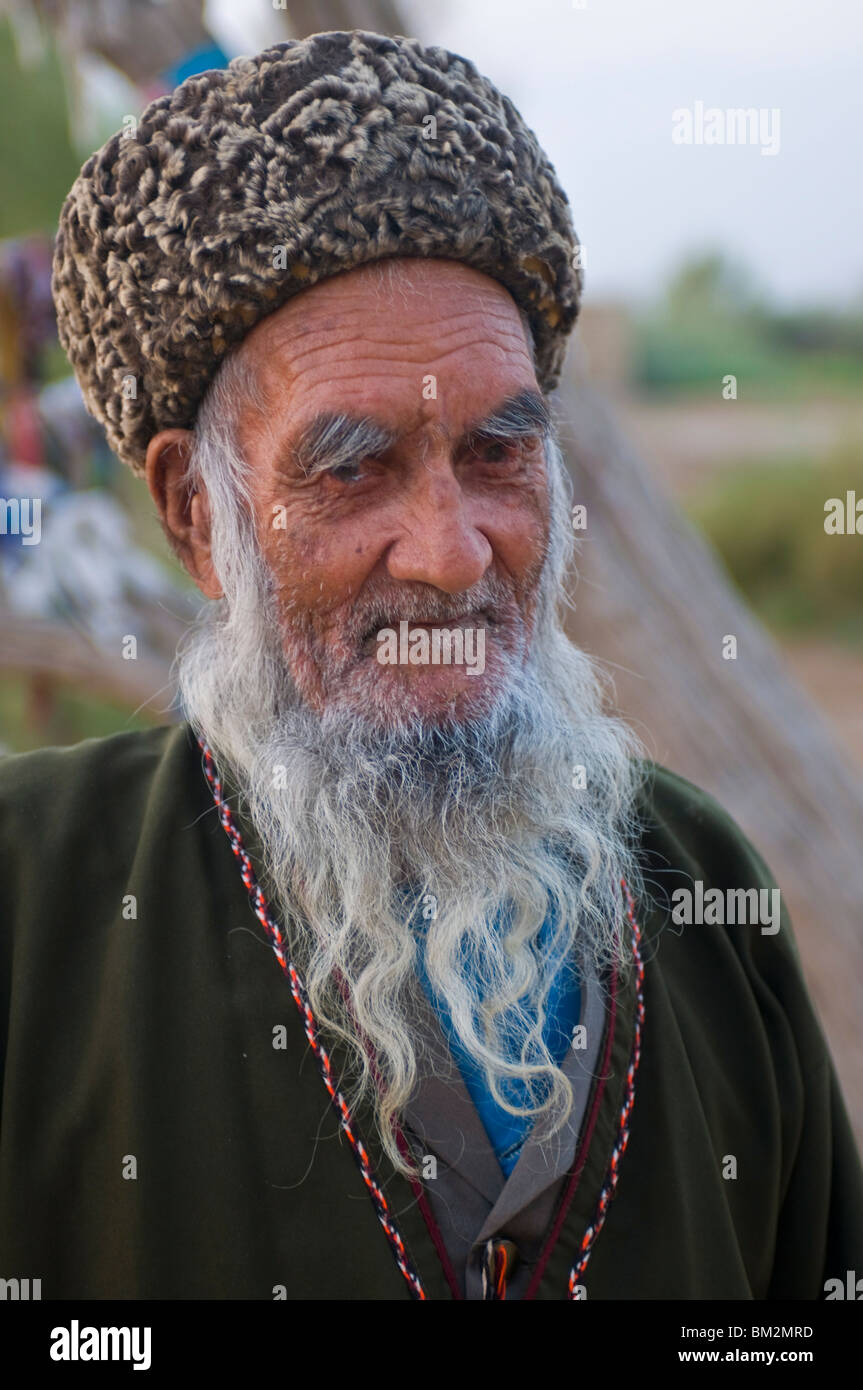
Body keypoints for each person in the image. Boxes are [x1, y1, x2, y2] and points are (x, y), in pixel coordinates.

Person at [1, 29, 861, 1302]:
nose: (453, 553)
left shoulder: (702, 886)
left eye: (499, 452)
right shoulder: (32, 900)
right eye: (353, 467)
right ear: (196, 515)